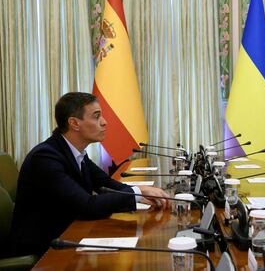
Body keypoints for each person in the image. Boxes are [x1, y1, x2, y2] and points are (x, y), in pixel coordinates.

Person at [10, 92, 170, 257]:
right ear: (74, 123)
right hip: (44, 248)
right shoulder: (45, 157)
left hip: (69, 233)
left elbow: (105, 183)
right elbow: (87, 206)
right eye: (96, 116)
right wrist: (138, 192)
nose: (104, 122)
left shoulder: (76, 152)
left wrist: (139, 193)